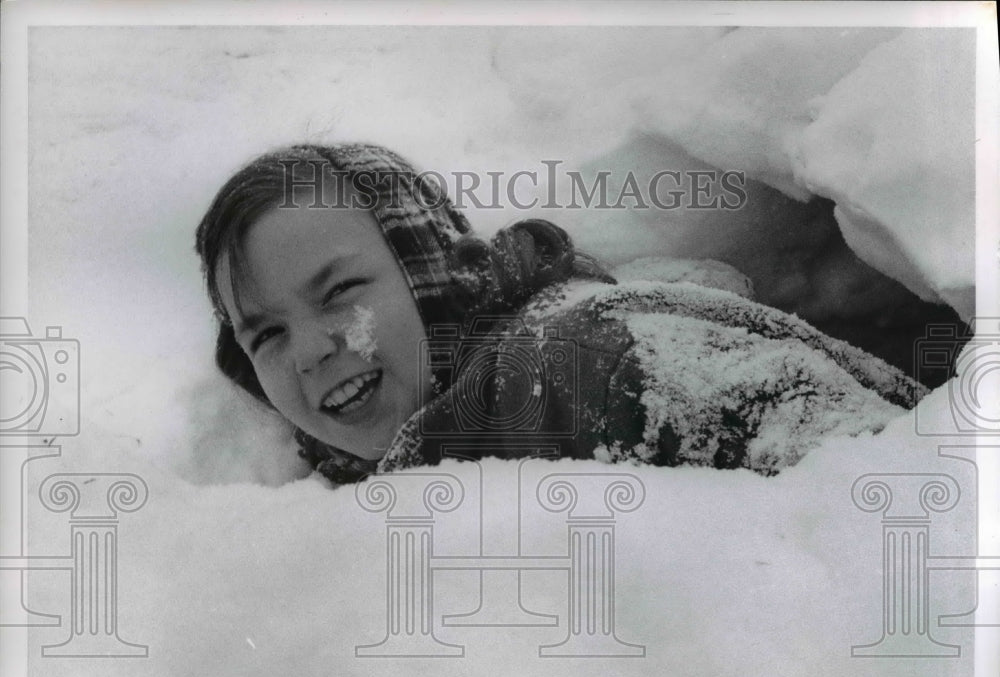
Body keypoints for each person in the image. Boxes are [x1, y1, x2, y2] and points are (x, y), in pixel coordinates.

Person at [196, 142, 926, 486]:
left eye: (338, 292)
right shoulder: (394, 460)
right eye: (265, 332)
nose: (310, 351)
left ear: (432, 272)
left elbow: (902, 493)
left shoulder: (580, 358)